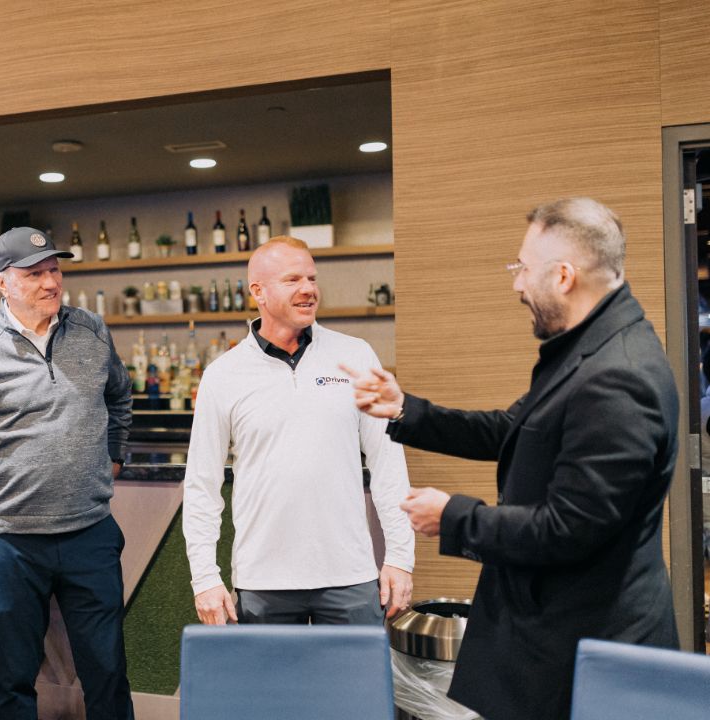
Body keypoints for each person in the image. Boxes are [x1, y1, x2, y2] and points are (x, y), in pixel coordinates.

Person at [350, 198, 680, 720]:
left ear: (564, 276)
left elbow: (571, 528)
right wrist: (406, 409)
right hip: (558, 635)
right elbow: (511, 429)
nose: (517, 284)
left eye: (523, 268)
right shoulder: (590, 348)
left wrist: (454, 516)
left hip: (588, 647)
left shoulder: (618, 376)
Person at [0, 227, 134, 720]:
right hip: (10, 543)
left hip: (90, 533)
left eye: (54, 270)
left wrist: (113, 454)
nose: (50, 282)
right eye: (34, 274)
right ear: (1, 282)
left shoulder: (91, 330)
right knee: (12, 681)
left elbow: (119, 397)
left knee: (108, 673)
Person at [183, 236, 414, 626]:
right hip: (262, 580)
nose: (308, 289)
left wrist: (401, 557)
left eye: (311, 278)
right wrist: (204, 577)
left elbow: (388, 464)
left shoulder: (356, 355)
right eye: (292, 280)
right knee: (267, 673)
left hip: (350, 575)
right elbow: (201, 484)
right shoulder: (223, 375)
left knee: (358, 671)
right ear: (258, 291)